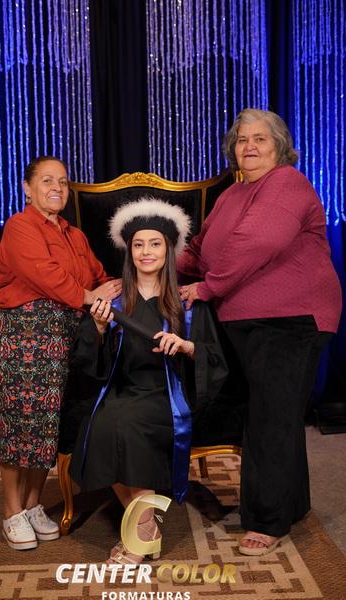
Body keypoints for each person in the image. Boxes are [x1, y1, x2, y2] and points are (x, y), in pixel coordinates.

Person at [177, 108, 342, 556]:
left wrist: (206, 287)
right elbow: (200, 250)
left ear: (279, 147)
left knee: (270, 417)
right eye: (241, 139)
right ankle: (292, 505)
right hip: (245, 320)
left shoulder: (287, 182)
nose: (248, 146)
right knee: (273, 414)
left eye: (260, 139)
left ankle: (267, 520)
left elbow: (256, 243)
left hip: (290, 318)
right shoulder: (233, 194)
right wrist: (151, 266)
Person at [69, 198, 228, 564]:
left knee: (128, 424)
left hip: (166, 394)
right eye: (138, 244)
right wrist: (97, 327)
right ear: (129, 251)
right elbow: (86, 362)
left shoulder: (185, 302)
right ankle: (146, 526)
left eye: (155, 244)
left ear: (168, 250)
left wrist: (186, 346)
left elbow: (215, 359)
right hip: (121, 388)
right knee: (102, 424)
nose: (145, 251)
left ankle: (139, 536)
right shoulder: (114, 300)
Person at [0, 155, 121, 550]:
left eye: (63, 182)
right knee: (21, 425)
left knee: (48, 427)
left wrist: (132, 286)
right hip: (25, 334)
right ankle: (12, 511)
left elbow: (99, 276)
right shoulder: (20, 226)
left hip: (65, 336)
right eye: (47, 180)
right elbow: (48, 278)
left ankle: (33, 504)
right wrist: (93, 297)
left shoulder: (74, 235)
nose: (57, 188)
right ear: (27, 188)